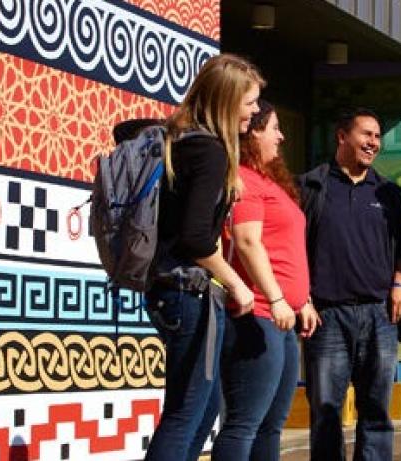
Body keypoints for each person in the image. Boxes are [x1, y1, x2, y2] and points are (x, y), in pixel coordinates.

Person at [143, 53, 264, 461]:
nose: (255, 111)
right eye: (249, 102)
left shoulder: (182, 140)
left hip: (170, 289)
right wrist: (237, 283)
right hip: (186, 290)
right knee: (186, 412)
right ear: (227, 100)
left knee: (205, 405)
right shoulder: (210, 150)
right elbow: (195, 239)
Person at [297, 108, 401, 461]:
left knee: (377, 410)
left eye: (378, 136)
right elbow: (292, 248)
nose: (374, 143)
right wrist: (301, 298)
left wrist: (399, 284)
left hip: (379, 316)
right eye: (366, 134)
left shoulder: (388, 192)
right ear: (342, 136)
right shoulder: (311, 187)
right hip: (326, 317)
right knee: (326, 411)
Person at [217, 100, 317, 461]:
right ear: (254, 130)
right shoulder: (242, 178)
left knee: (272, 425)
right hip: (258, 314)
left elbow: (284, 250)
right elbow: (246, 241)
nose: (282, 135)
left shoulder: (270, 182)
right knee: (245, 423)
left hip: (283, 317)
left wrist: (301, 299)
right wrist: (276, 299)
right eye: (274, 127)